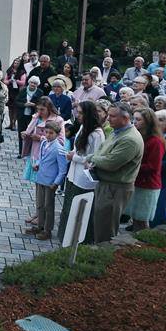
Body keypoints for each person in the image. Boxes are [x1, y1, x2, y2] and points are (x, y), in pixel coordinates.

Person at [86, 102, 144, 243]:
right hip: (106, 185)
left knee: (106, 228)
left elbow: (110, 163)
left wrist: (92, 158)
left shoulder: (130, 139)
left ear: (125, 118)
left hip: (115, 188)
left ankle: (103, 258)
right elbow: (102, 149)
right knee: (100, 223)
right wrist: (97, 158)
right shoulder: (117, 131)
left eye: (112, 116)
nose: (108, 118)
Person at [57, 101, 104, 243]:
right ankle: (66, 237)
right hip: (72, 174)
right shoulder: (83, 127)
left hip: (83, 178)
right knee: (69, 207)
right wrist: (72, 152)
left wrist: (75, 157)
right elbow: (78, 147)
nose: (77, 115)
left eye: (81, 113)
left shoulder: (97, 133)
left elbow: (95, 157)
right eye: (77, 112)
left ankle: (80, 240)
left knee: (80, 210)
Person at [123, 108, 165, 232]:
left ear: (148, 121)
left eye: (138, 119)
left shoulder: (155, 141)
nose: (134, 122)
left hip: (148, 185)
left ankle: (144, 244)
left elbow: (153, 167)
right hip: (137, 181)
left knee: (142, 220)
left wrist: (130, 166)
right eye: (133, 119)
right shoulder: (139, 136)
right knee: (136, 218)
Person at [25, 121, 68, 241]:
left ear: (57, 134)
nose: (48, 135)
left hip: (50, 182)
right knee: (39, 204)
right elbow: (40, 157)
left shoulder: (59, 149)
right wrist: (37, 164)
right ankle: (40, 226)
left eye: (51, 133)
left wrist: (56, 183)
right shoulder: (44, 143)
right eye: (46, 132)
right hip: (40, 178)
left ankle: (47, 230)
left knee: (48, 206)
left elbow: (62, 169)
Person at [4, 58, 27, 131]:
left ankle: (14, 123)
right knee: (10, 108)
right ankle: (10, 123)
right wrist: (9, 81)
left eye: (17, 63)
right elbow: (5, 80)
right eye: (14, 62)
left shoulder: (22, 72)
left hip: (18, 92)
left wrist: (16, 81)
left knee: (16, 108)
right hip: (10, 90)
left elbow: (23, 82)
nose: (15, 64)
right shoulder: (9, 70)